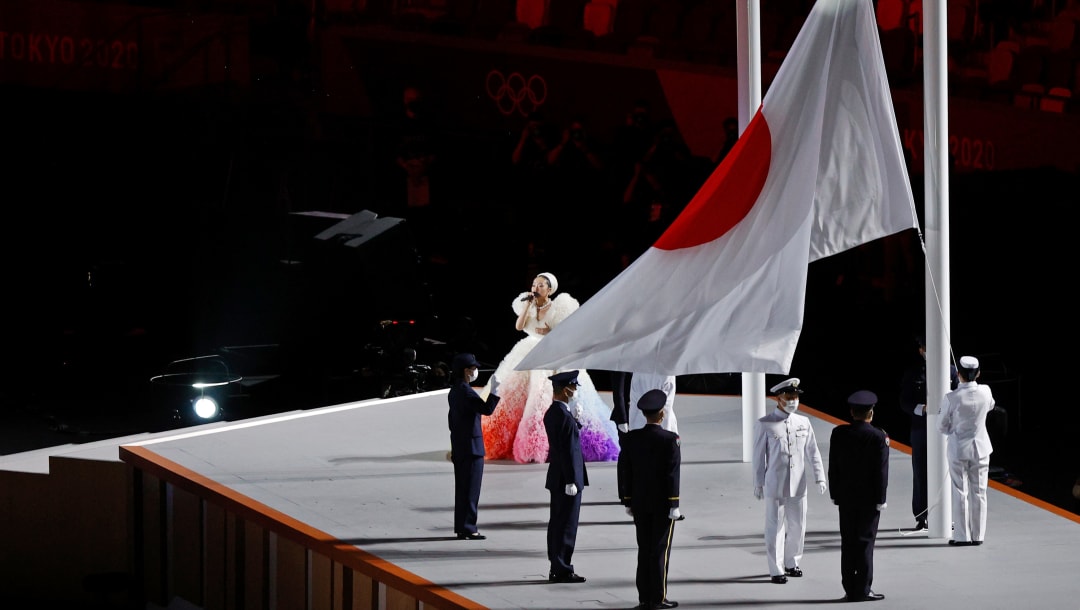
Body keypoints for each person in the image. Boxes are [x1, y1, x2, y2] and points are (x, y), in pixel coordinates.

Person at [480, 272, 620, 464]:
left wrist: (551, 332)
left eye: (540, 285)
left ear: (549, 289)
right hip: (529, 350)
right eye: (534, 284)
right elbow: (519, 327)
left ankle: (554, 442)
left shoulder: (559, 308)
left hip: (552, 351)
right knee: (513, 392)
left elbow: (571, 332)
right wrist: (528, 305)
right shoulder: (527, 305)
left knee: (548, 393)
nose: (535, 288)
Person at [752, 377, 826, 584]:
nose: (793, 401)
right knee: (775, 528)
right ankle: (776, 569)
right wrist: (758, 483)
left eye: (795, 397)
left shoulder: (804, 422)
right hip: (775, 485)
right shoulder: (765, 424)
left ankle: (792, 562)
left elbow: (813, 452)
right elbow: (758, 457)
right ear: (778, 398)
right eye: (789, 397)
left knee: (798, 526)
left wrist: (820, 477)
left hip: (799, 485)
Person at [617, 389, 682, 610]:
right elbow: (672, 474)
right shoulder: (670, 439)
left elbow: (626, 470)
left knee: (644, 550)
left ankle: (644, 598)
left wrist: (628, 500)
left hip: (640, 504)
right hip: (663, 504)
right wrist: (674, 503)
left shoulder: (632, 438)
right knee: (659, 551)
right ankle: (658, 598)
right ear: (661, 414)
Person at [829, 390, 889, 603]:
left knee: (848, 542)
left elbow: (833, 467)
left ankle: (849, 588)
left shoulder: (838, 433)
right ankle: (863, 589)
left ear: (851, 412)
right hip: (868, 499)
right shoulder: (878, 436)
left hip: (845, 497)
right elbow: (881, 471)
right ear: (871, 413)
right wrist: (881, 499)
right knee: (865, 543)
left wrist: (834, 493)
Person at [899, 336, 958, 530]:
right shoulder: (912, 373)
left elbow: (959, 395)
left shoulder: (951, 371)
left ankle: (946, 513)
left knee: (946, 471)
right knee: (921, 472)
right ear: (921, 350)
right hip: (921, 429)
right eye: (926, 348)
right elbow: (904, 402)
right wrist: (922, 408)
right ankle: (922, 515)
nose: (928, 351)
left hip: (947, 430)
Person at [938, 355, 995, 546]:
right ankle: (978, 536)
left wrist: (956, 426)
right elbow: (991, 406)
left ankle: (962, 536)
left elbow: (942, 427)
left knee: (959, 491)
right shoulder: (986, 391)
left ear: (958, 375)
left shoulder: (951, 398)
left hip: (958, 449)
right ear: (978, 373)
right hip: (981, 447)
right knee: (979, 492)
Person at [447, 353, 501, 540]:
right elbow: (486, 409)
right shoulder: (465, 391)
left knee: (463, 490)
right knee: (470, 491)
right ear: (466, 371)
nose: (475, 371)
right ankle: (469, 528)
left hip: (461, 447)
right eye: (473, 368)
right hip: (471, 448)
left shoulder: (455, 391)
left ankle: (463, 527)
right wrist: (495, 392)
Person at [544, 370, 588, 583]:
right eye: (573, 387)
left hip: (559, 477)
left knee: (558, 523)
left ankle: (557, 565)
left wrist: (576, 421)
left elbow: (565, 439)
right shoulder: (561, 415)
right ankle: (562, 568)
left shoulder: (556, 412)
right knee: (566, 525)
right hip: (566, 479)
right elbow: (567, 450)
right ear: (565, 390)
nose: (576, 390)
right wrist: (571, 479)